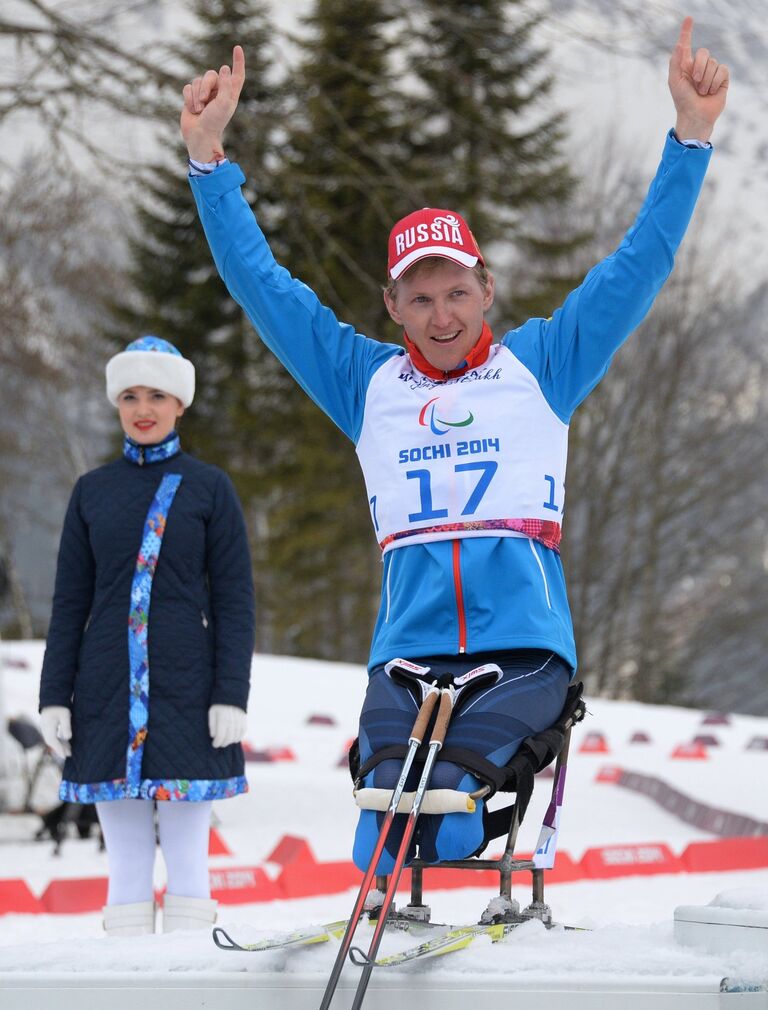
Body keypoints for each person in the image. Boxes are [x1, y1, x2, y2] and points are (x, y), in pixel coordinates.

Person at [179, 18, 727, 871]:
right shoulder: (367, 385)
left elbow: (637, 265)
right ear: (393, 307)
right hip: (409, 652)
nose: (443, 317)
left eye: (458, 293)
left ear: (486, 290)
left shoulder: (543, 362)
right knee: (376, 839)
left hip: (523, 652)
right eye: (422, 299)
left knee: (455, 818)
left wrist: (690, 137)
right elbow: (266, 291)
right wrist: (210, 164)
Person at [39, 336, 255, 935]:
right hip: (106, 693)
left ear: (179, 402)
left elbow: (235, 601)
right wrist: (55, 695)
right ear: (115, 402)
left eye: (157, 395)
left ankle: (192, 984)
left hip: (189, 694)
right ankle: (128, 980)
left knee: (189, 858)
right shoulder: (92, 492)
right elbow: (69, 604)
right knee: (127, 861)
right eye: (130, 395)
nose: (143, 408)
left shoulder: (210, 489)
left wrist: (230, 693)